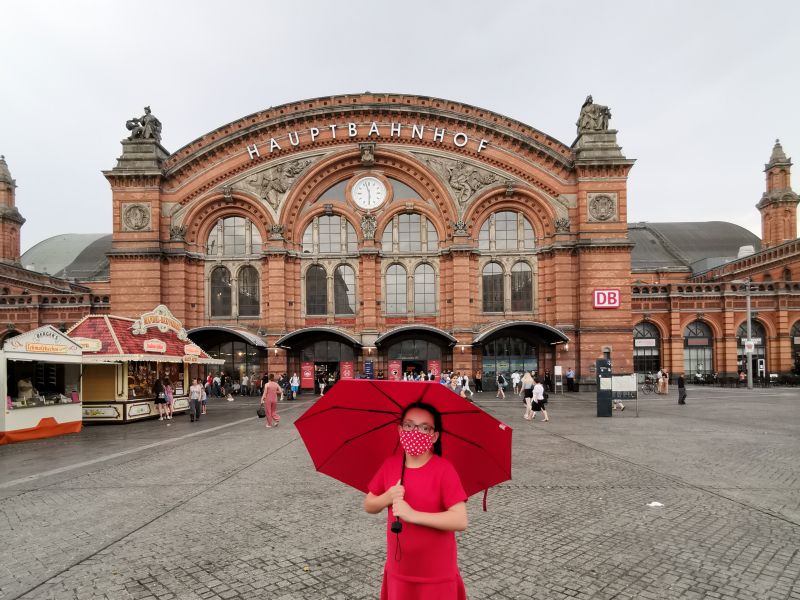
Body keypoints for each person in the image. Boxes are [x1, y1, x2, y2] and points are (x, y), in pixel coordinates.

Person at [364, 402, 468, 599]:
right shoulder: (390, 465)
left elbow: (460, 520)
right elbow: (369, 504)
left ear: (434, 435)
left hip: (437, 574)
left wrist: (413, 515)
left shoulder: (444, 470)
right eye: (409, 425)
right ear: (400, 429)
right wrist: (388, 496)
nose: (415, 432)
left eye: (424, 427)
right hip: (399, 571)